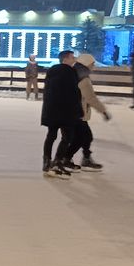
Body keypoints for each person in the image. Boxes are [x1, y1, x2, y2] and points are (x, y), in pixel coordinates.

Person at [41, 50, 83, 178]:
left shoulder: (52, 71)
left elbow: (48, 91)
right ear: (65, 59)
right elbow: (74, 93)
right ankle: (57, 161)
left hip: (52, 110)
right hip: (66, 111)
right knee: (67, 137)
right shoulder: (70, 72)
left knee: (51, 135)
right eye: (72, 57)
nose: (74, 59)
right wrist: (78, 110)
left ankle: (47, 161)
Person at [73, 53, 110, 171]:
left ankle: (83, 157)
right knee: (84, 137)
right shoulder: (84, 79)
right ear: (86, 64)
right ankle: (66, 158)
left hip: (71, 111)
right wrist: (103, 111)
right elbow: (91, 98)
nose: (93, 67)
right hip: (78, 112)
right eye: (92, 64)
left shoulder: (73, 74)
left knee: (79, 137)